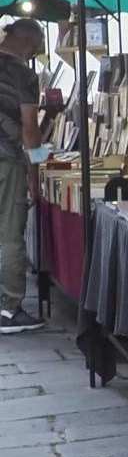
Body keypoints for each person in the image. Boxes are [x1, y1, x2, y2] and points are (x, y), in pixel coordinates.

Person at [0, 18, 47, 335]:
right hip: (6, 159)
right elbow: (31, 129)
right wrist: (37, 169)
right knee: (9, 234)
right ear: (29, 42)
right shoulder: (23, 74)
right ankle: (9, 309)